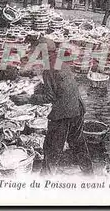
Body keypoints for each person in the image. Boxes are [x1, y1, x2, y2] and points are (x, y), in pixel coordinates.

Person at [11, 38, 93, 176]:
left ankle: (45, 180)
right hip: (77, 108)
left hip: (63, 114)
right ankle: (89, 173)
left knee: (51, 148)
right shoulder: (58, 61)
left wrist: (28, 99)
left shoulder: (49, 67)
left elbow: (51, 97)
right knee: (77, 142)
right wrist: (38, 86)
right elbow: (60, 86)